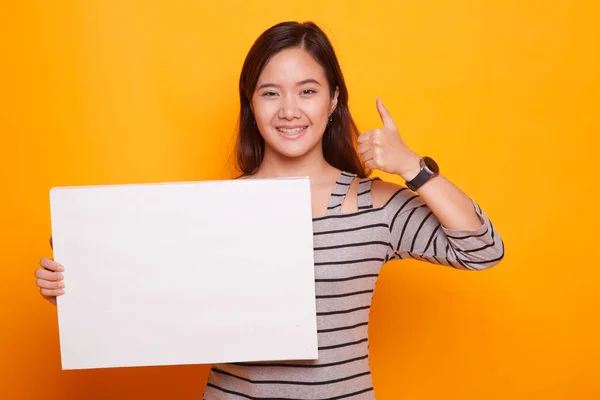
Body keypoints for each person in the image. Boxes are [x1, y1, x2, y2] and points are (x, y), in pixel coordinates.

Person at [35, 21, 505, 399]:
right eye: (269, 92)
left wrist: (411, 167)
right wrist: (78, 286)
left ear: (334, 100)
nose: (289, 110)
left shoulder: (373, 203)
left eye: (307, 91)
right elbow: (151, 299)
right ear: (252, 105)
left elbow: (483, 249)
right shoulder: (214, 211)